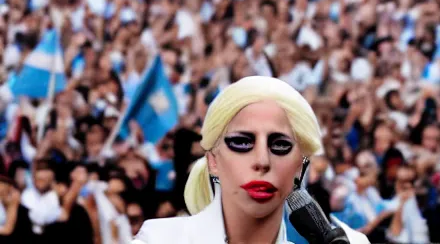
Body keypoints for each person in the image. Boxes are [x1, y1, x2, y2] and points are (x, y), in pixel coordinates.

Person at [132, 76, 369, 243]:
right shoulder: (159, 239)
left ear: (300, 167)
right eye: (242, 143)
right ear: (213, 161)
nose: (262, 160)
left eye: (280, 145)